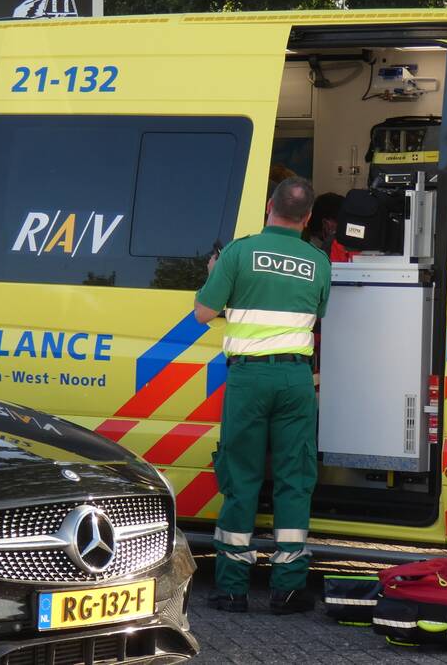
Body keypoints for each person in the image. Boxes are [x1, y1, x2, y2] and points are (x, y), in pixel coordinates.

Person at [194, 176, 331, 615]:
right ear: (308, 218)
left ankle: (232, 589)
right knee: (295, 479)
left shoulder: (238, 252)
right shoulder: (318, 261)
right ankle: (287, 589)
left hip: (249, 379)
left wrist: (214, 274)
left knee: (242, 478)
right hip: (296, 380)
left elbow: (203, 313)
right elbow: (316, 313)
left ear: (269, 206)